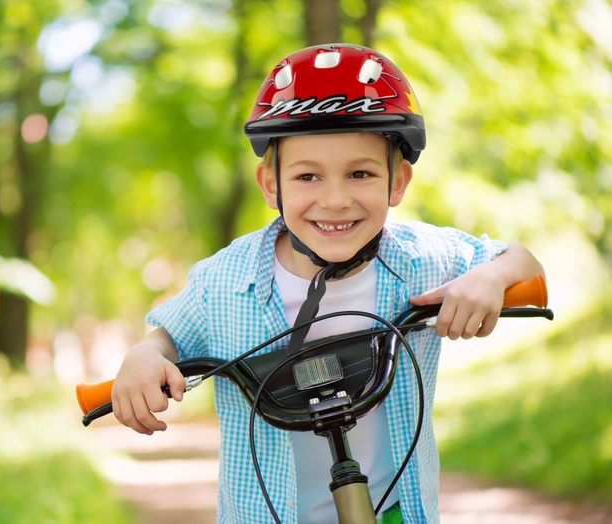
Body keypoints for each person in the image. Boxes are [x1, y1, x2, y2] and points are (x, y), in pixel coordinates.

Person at [110, 43, 544, 523]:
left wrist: (490, 277)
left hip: (394, 513)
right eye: (307, 176)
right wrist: (143, 358)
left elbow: (521, 261)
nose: (335, 200)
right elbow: (168, 336)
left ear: (398, 183)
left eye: (360, 173)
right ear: (271, 185)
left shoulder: (421, 260)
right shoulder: (225, 281)